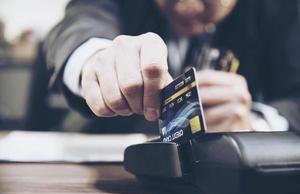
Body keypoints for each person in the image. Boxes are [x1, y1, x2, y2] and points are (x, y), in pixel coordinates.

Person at [44, 0, 300, 133]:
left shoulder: (280, 8)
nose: (187, 6)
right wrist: (96, 58)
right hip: (103, 146)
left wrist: (255, 123)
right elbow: (81, 21)